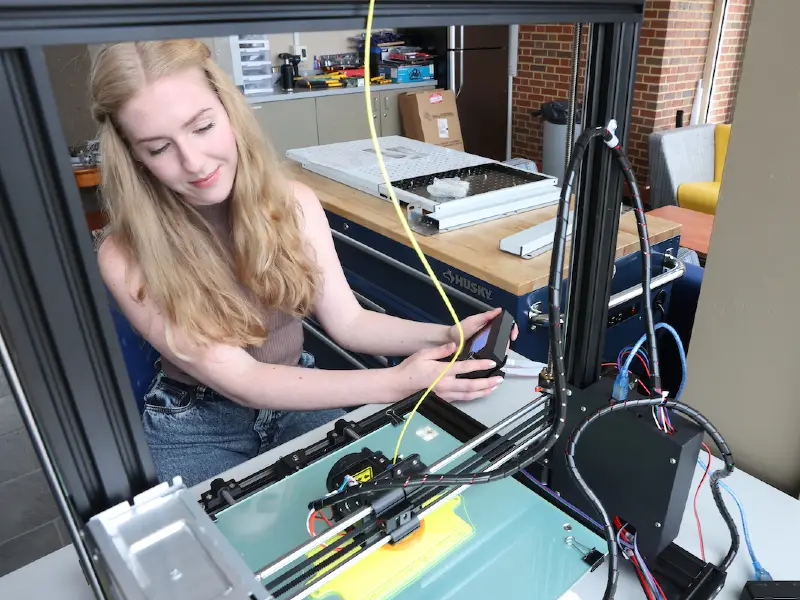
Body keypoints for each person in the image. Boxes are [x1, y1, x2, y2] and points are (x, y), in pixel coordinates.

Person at [90, 39, 514, 487]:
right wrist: (400, 381)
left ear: (229, 109)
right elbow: (244, 379)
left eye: (202, 127)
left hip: (299, 392)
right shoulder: (125, 255)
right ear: (132, 156)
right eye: (158, 149)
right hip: (197, 423)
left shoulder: (293, 204)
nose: (193, 162)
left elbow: (350, 322)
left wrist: (447, 334)